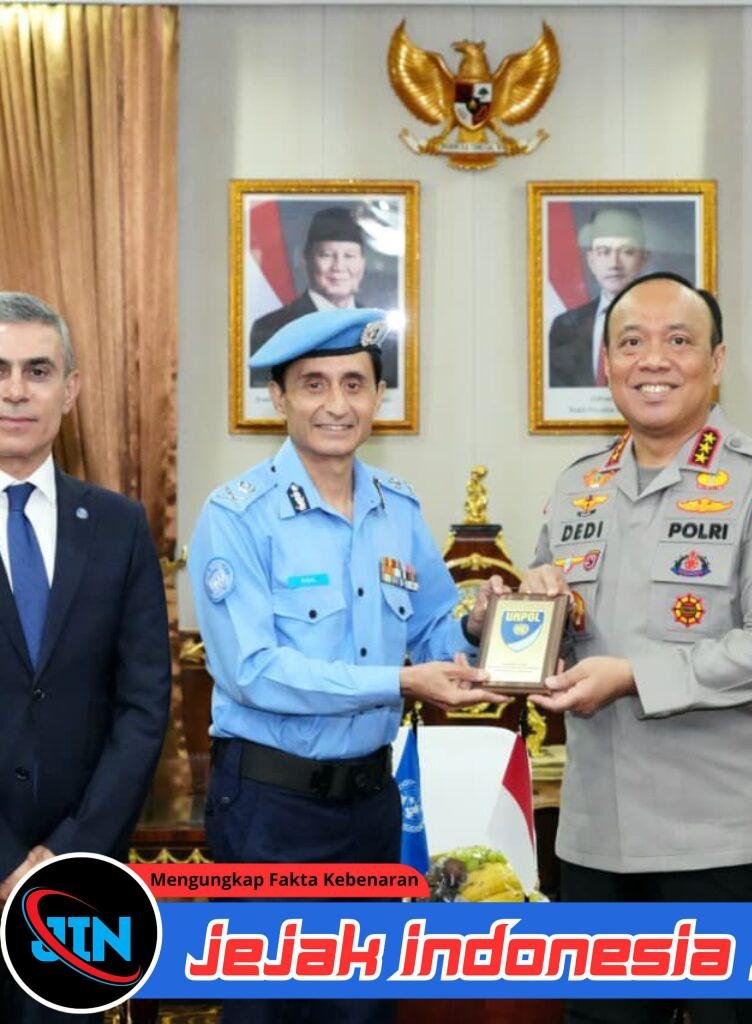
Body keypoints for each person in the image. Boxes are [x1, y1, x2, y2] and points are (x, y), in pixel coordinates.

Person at [524, 272, 752, 1024]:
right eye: (631, 342)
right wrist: (517, 618)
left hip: (724, 851)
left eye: (679, 341)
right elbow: (549, 625)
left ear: (716, 361)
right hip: (598, 847)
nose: (653, 360)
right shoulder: (578, 487)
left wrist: (634, 676)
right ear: (607, 364)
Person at [190, 306, 506, 1024]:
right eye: (314, 384)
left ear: (378, 396)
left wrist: (476, 621)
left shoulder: (398, 508)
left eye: (355, 384)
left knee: (363, 1010)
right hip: (271, 810)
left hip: (369, 804)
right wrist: (399, 682)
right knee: (268, 1012)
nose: (337, 404)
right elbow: (252, 672)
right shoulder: (238, 516)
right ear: (279, 398)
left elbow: (433, 628)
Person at [0, 293, 171, 1023]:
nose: (16, 390)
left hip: (76, 882)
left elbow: (144, 705)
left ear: (70, 390)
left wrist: (71, 850)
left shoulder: (118, 525)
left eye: (37, 370)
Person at [249, 206, 398, 388]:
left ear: (363, 263)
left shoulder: (381, 329)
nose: (339, 266)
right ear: (306, 259)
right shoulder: (270, 328)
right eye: (326, 255)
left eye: (349, 256)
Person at [548, 206, 649, 388]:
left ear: (643, 260)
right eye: (604, 252)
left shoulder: (666, 322)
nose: (614, 264)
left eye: (627, 252)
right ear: (591, 260)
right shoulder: (564, 325)